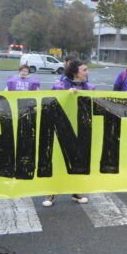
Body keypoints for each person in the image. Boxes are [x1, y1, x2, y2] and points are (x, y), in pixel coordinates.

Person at [46, 59, 93, 208]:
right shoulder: (59, 86)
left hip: (81, 130)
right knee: (59, 162)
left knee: (79, 162)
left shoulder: (90, 88)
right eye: (84, 70)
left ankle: (76, 193)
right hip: (62, 131)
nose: (87, 72)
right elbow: (50, 104)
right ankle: (51, 194)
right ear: (75, 73)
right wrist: (66, 95)